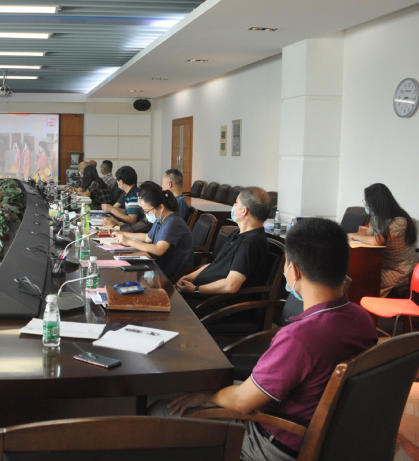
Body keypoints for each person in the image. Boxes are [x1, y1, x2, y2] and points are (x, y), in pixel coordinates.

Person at [156, 218, 377, 460]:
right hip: (327, 434)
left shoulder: (299, 338)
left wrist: (207, 396)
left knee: (160, 410)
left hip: (274, 441)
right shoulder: (363, 319)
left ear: (294, 271)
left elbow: (242, 402)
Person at [176, 187, 270, 303]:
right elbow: (217, 263)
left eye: (236, 202)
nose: (233, 206)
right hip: (201, 293)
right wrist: (191, 277)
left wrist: (195, 290)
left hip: (215, 302)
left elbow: (231, 285)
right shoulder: (237, 233)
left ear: (244, 211)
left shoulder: (251, 243)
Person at [348, 183, 418, 296]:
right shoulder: (376, 217)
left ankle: (367, 306)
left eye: (367, 202)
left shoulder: (399, 221)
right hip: (382, 264)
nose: (366, 204)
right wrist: (349, 235)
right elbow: (368, 233)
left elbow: (376, 240)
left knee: (367, 282)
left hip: (400, 269)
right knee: (357, 275)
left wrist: (357, 237)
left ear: (377, 202)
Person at [112, 183, 193, 278]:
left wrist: (129, 241)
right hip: (158, 267)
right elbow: (147, 237)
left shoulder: (173, 222)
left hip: (172, 276)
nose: (146, 214)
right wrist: (123, 234)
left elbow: (159, 249)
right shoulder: (161, 219)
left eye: (147, 211)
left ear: (161, 207)